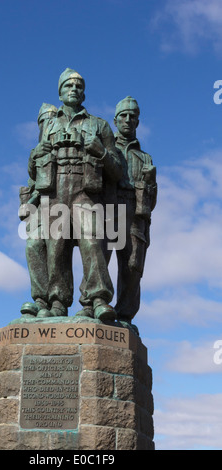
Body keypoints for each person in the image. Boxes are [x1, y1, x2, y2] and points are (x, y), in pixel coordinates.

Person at [32, 68, 123, 321]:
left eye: (78, 86)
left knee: (92, 241)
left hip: (85, 191)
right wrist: (40, 151)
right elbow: (34, 163)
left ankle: (98, 299)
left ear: (84, 92)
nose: (74, 90)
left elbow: (117, 170)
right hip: (56, 189)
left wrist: (101, 153)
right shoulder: (49, 124)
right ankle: (58, 301)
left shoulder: (99, 124)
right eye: (68, 86)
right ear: (60, 92)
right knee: (56, 249)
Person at [111, 96, 157, 324]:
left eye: (133, 116)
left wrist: (151, 182)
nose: (128, 120)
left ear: (138, 122)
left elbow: (153, 203)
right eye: (123, 116)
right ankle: (94, 305)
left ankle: (124, 316)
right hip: (109, 207)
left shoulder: (145, 157)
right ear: (115, 120)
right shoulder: (107, 147)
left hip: (136, 212)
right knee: (98, 258)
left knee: (132, 266)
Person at [19, 103, 57, 317]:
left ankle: (56, 302)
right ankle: (41, 299)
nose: (48, 125)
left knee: (57, 250)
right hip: (40, 209)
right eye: (44, 121)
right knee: (33, 246)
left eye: (52, 120)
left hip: (64, 203)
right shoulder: (36, 151)